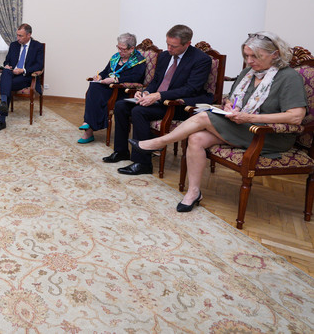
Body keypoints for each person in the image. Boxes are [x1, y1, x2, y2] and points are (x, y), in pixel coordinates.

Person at [131, 31, 307, 212]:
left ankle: (159, 143)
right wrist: (230, 105)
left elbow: (296, 116)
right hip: (242, 126)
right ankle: (194, 192)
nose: (249, 61)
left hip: (268, 135)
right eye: (246, 56)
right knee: (196, 138)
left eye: (255, 56)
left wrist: (251, 118)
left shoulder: (288, 77)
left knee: (204, 116)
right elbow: (231, 98)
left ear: (275, 54)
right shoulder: (248, 73)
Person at [102, 24, 212, 175]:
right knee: (121, 105)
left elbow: (191, 89)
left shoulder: (201, 59)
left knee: (139, 111)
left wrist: (159, 96)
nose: (169, 49)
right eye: (167, 44)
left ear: (187, 44)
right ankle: (121, 151)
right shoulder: (165, 56)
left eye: (173, 46)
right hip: (157, 100)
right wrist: (145, 92)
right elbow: (156, 81)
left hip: (179, 105)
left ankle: (143, 163)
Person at [78, 33, 146, 144]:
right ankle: (88, 125)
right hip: (109, 88)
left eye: (123, 49)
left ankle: (88, 130)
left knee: (96, 92)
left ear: (132, 48)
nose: (119, 51)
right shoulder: (115, 57)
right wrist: (99, 76)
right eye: (118, 47)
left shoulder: (139, 61)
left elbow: (136, 78)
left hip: (123, 91)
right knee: (94, 85)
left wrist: (115, 80)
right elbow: (105, 72)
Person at [0, 23, 45, 132]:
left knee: (6, 84)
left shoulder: (37, 46)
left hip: (26, 77)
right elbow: (7, 60)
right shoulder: (14, 45)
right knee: (6, 72)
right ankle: (4, 104)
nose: (18, 38)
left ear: (29, 35)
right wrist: (7, 65)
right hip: (12, 74)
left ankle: (2, 119)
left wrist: (23, 70)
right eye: (17, 35)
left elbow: (39, 65)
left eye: (20, 36)